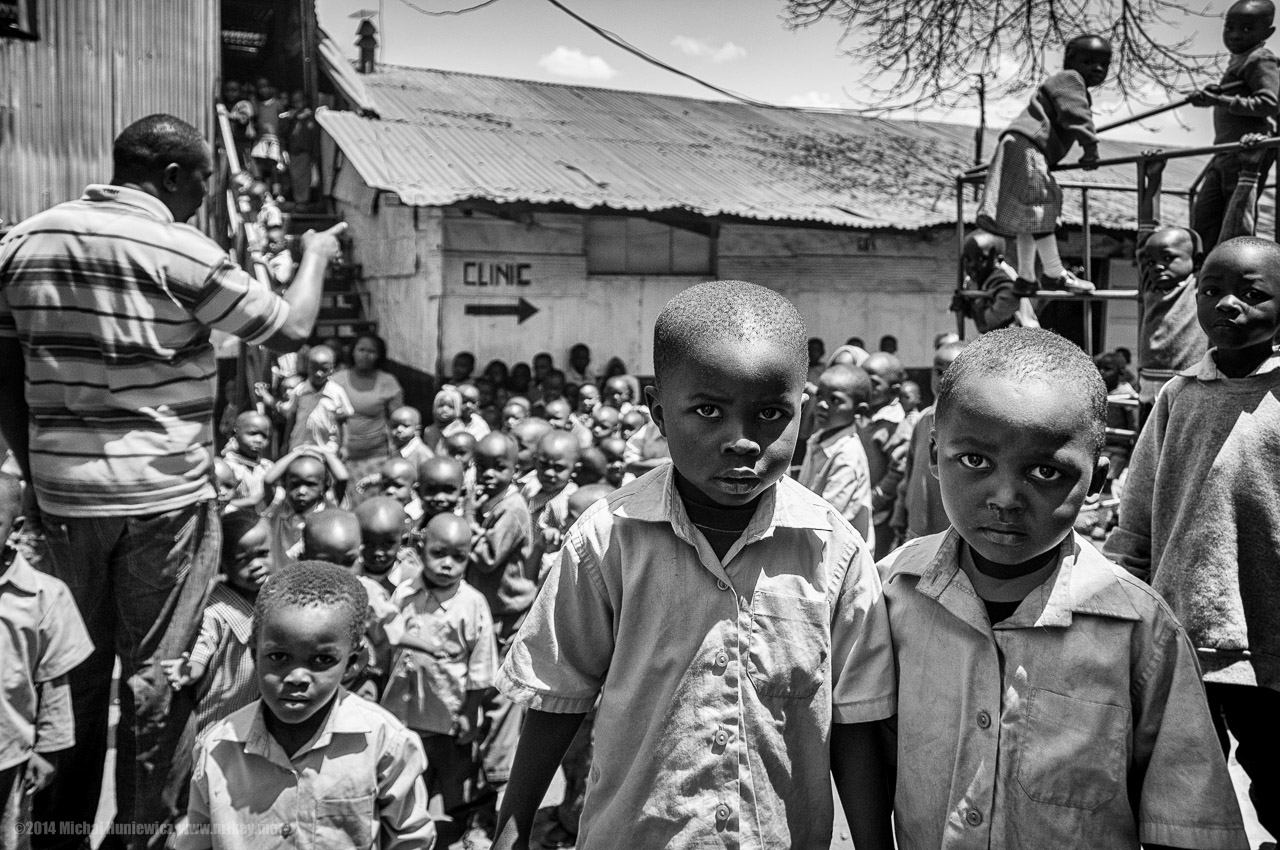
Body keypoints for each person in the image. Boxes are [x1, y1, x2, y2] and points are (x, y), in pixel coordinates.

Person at [0, 113, 343, 846]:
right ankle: (138, 839)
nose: (200, 200)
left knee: (71, 676)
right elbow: (291, 328)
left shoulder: (22, 242)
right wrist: (313, 253)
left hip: (63, 501)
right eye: (201, 185)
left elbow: (3, 367)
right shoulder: (181, 249)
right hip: (163, 505)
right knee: (156, 681)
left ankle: (56, 835)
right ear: (174, 176)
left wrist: (37, 470)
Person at [492, 281, 896, 850]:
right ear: (658, 411)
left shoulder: (834, 550)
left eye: (770, 414)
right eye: (708, 411)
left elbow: (855, 726)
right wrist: (511, 833)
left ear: (801, 409)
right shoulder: (609, 539)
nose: (741, 441)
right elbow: (558, 695)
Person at [883, 327, 1247, 848]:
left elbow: (1186, 820)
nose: (1005, 497)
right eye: (974, 461)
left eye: (1045, 470)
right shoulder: (891, 595)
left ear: (1096, 481)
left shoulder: (1141, 634)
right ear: (935, 456)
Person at [1105, 236, 1280, 836]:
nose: (1228, 304)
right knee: (1173, 782)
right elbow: (1136, 516)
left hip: (1266, 640)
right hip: (1180, 633)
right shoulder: (1178, 397)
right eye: (1212, 291)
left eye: (1252, 294)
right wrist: (1119, 598)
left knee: (1277, 778)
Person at [177, 561, 434, 849]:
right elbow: (198, 841)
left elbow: (411, 839)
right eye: (278, 657)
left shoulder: (385, 744)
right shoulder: (217, 749)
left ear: (352, 664)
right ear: (253, 653)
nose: (297, 677)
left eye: (322, 660)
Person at [383, 513, 497, 848]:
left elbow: (481, 666)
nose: (448, 564)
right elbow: (390, 640)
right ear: (420, 547)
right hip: (403, 711)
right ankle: (407, 830)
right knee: (409, 774)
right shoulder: (403, 593)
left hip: (447, 712)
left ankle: (461, 829)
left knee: (456, 778)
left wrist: (470, 711)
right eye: (439, 553)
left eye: (458, 557)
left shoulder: (472, 603)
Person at [976, 35, 1111, 293]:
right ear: (1070, 61)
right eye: (1089, 61)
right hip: (1028, 146)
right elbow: (1075, 114)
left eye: (1104, 64)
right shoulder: (1071, 79)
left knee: (1029, 214)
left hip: (1019, 144)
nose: (1097, 69)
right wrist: (1090, 147)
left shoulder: (1067, 82)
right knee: (1041, 205)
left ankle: (1026, 277)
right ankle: (1054, 272)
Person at [0, 475, 92, 839]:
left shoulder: (44, 595)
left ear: (15, 526)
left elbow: (54, 679)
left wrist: (49, 748)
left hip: (8, 755)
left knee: (8, 834)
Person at [161, 511, 269, 735]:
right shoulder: (216, 611)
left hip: (253, 718)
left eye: (263, 554)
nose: (257, 565)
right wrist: (188, 670)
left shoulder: (272, 597)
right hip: (216, 722)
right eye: (242, 560)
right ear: (223, 565)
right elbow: (202, 649)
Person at [1189, 0, 1280, 252]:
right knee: (1206, 218)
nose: (1236, 35)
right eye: (1229, 28)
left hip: (1248, 150)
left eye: (1247, 29)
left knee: (1236, 217)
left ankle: (1236, 270)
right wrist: (1214, 95)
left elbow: (1269, 103)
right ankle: (1204, 271)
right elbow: (1235, 93)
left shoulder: (1260, 59)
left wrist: (1220, 100)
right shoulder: (1239, 60)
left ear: (1267, 33)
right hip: (1225, 151)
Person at [891, 341, 966, 544]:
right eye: (938, 371)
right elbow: (909, 472)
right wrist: (900, 510)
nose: (943, 379)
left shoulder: (973, 426)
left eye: (952, 372)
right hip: (917, 530)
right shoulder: (924, 420)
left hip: (953, 535)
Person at [1134, 226, 1208, 414]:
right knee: (1150, 436)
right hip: (1148, 379)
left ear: (1196, 261)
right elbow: (1142, 248)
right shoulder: (1150, 286)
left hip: (1185, 379)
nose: (1158, 266)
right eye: (1152, 262)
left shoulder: (1198, 286)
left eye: (1168, 258)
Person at [797, 364, 874, 544]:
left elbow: (826, 515)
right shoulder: (818, 440)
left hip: (837, 552)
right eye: (820, 395)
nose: (822, 404)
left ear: (859, 410)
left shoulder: (847, 455)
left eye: (835, 400)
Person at [332, 334, 405, 483]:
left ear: (379, 356)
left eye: (371, 351)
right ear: (352, 352)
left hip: (376, 457)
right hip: (341, 456)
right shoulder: (337, 380)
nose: (365, 355)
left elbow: (397, 420)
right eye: (361, 349)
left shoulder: (388, 382)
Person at [262, 449, 347, 572]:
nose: (301, 491)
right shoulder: (280, 507)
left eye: (310, 484)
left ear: (324, 486)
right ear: (285, 485)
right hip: (282, 578)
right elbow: (268, 480)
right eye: (294, 484)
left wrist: (324, 452)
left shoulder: (328, 507)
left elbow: (342, 477)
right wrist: (296, 452)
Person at [861, 352, 908, 559]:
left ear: (894, 390)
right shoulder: (865, 414)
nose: (864, 389)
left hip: (878, 513)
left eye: (873, 384)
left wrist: (876, 497)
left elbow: (898, 470)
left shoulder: (894, 424)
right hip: (859, 505)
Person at [956, 230, 1041, 334]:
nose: (972, 265)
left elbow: (985, 325)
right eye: (968, 259)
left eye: (981, 258)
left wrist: (973, 302)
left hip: (1024, 342)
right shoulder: (975, 281)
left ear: (999, 259)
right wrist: (964, 306)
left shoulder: (1008, 286)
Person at [525, 431, 580, 585]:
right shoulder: (532, 487)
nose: (549, 473)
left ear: (575, 469)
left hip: (546, 569)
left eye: (558, 468)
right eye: (543, 465)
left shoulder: (570, 499)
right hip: (527, 557)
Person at [284, 344, 353, 455]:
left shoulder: (336, 392)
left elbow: (343, 421)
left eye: (324, 369)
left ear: (331, 369)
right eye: (314, 368)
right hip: (299, 447)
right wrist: (285, 443)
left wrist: (344, 447)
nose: (318, 373)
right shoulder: (300, 391)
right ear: (307, 367)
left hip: (326, 449)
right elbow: (291, 417)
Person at [221, 411, 274, 511]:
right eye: (252, 433)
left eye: (264, 436)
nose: (259, 439)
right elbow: (221, 501)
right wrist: (253, 501)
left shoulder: (267, 466)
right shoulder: (229, 467)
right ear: (236, 432)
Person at [390, 406, 433, 470]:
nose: (399, 429)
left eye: (405, 426)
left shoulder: (422, 453)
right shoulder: (396, 449)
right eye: (394, 426)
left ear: (417, 430)